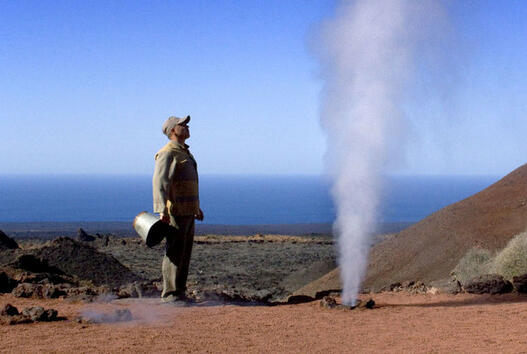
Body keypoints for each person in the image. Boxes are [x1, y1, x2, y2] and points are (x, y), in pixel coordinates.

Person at [152, 115, 204, 303]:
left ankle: (179, 292)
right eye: (182, 124)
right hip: (175, 212)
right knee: (174, 251)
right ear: (172, 130)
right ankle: (171, 294)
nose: (187, 126)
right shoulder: (168, 153)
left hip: (188, 211)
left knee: (184, 252)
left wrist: (196, 207)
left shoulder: (184, 152)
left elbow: (189, 183)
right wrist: (162, 210)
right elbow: (160, 182)